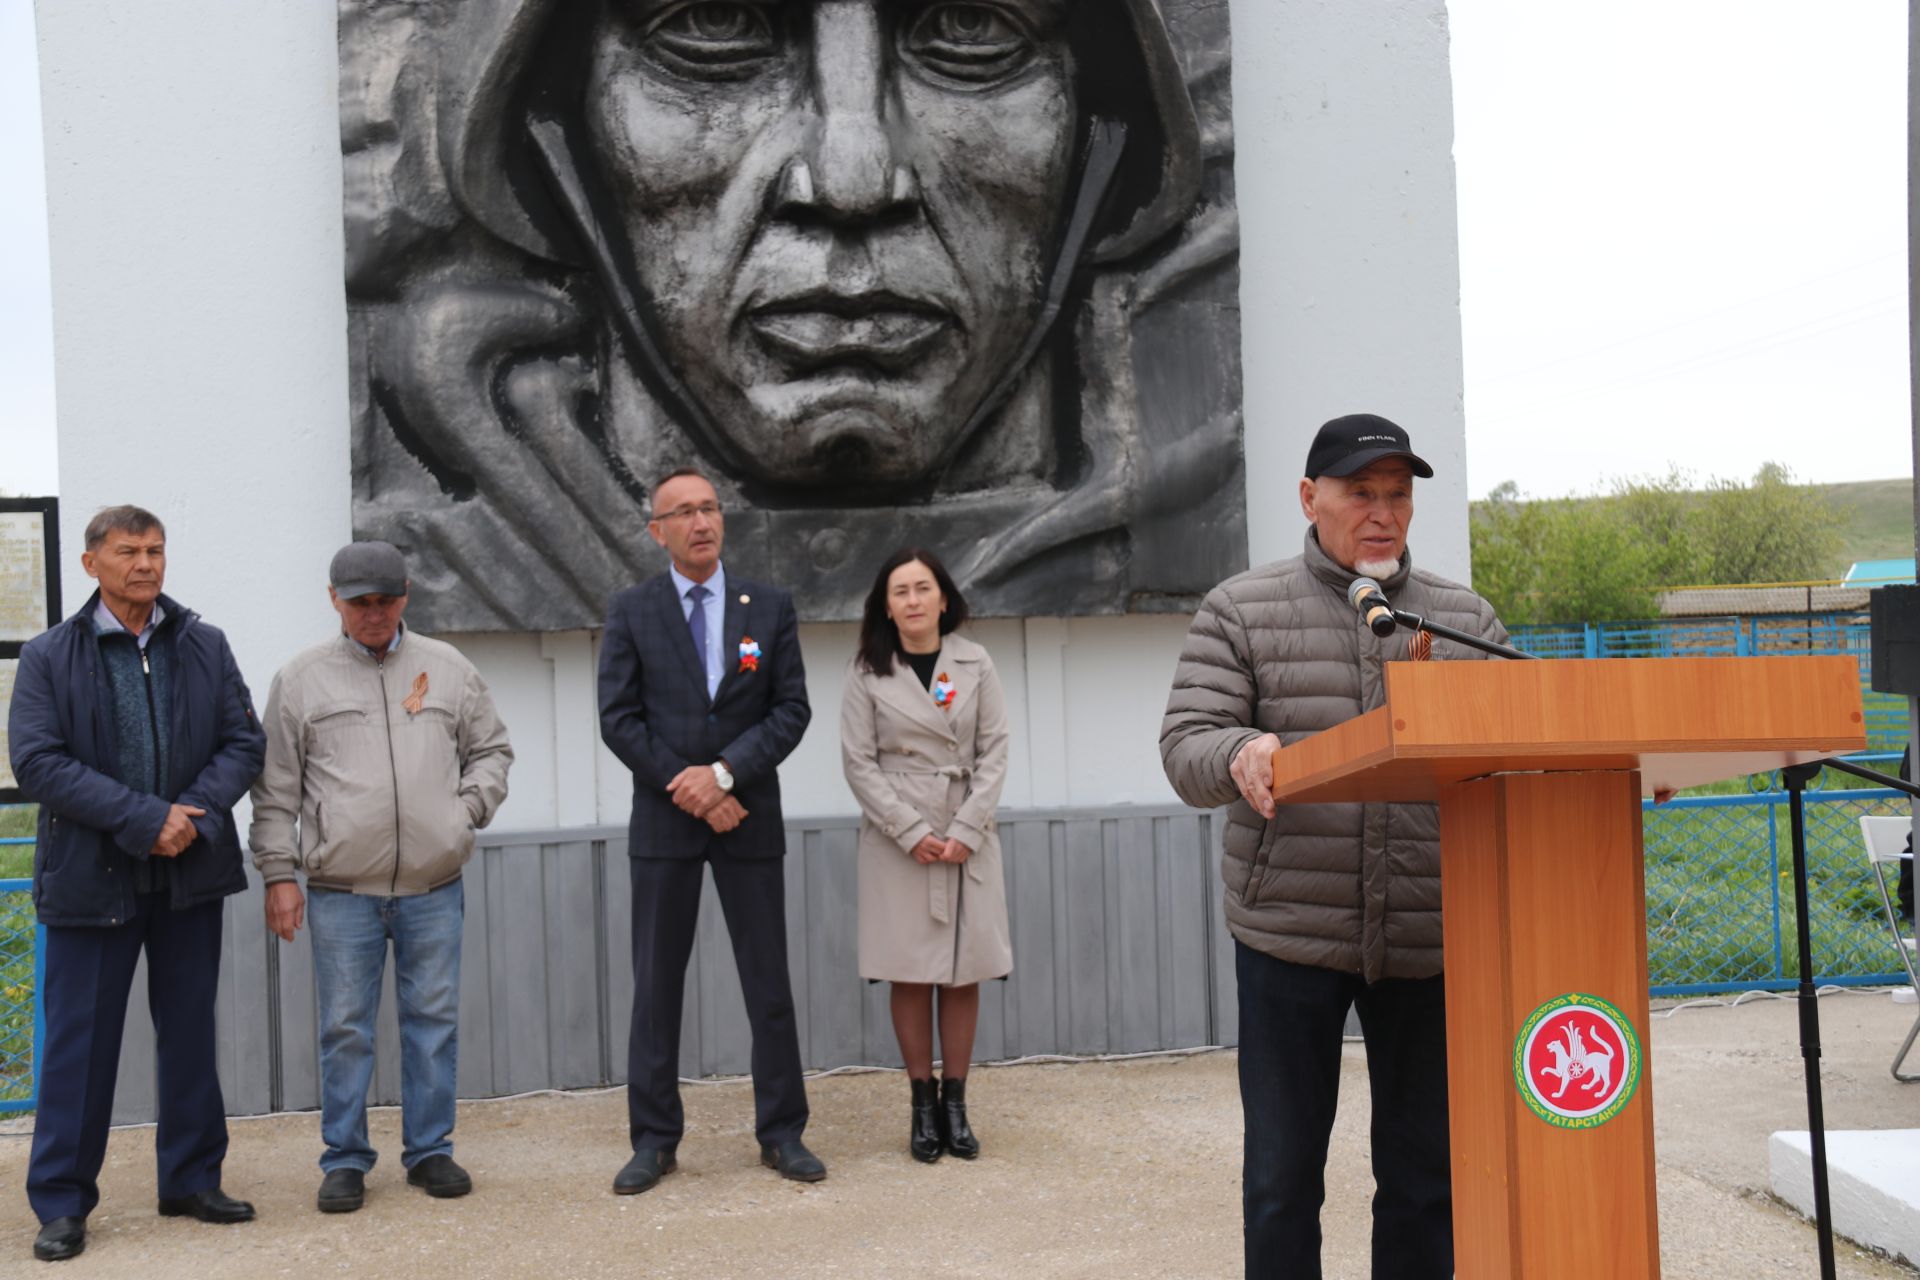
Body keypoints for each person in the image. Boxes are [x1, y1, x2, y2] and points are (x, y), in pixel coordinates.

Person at [347, 0, 1239, 631]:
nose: (852, 180)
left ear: (1106, 136)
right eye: (714, 25)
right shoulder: (455, 572)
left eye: (971, 29)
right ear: (556, 131)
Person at [1159, 415, 1510, 1278]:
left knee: (1427, 1180)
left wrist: (1612, 763)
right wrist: (1238, 752)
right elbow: (1186, 744)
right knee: (1283, 1179)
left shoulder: (1461, 619)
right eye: (1362, 493)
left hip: (1430, 939)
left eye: (1398, 495)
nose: (1382, 512)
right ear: (1311, 498)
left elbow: (1524, 739)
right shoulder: (1241, 609)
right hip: (1290, 935)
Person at [6, 505, 266, 1262]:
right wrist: (144, 818)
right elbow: (41, 763)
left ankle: (190, 1179)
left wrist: (192, 813)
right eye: (128, 552)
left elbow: (242, 742)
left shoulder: (204, 645)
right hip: (92, 880)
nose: (146, 565)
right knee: (78, 1053)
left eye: (155, 551)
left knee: (189, 1036)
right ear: (92, 564)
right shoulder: (50, 655)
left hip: (189, 874)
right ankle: (60, 1202)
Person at [247, 541, 513, 1213]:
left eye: (385, 600)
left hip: (433, 886)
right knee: (345, 1028)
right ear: (332, 598)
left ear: (407, 595)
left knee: (434, 1021)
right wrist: (279, 873)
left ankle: (429, 1150)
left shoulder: (447, 669)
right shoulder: (301, 679)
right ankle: (344, 1158)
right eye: (360, 601)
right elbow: (274, 789)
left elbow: (492, 749)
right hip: (342, 892)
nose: (374, 613)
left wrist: (465, 813)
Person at [597, 468, 819, 1193]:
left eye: (709, 508)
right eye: (682, 512)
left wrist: (722, 775)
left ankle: (782, 1133)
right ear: (655, 530)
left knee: (769, 985)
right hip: (666, 824)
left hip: (747, 816)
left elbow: (790, 710)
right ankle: (654, 1140)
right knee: (656, 986)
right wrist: (687, 786)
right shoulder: (632, 610)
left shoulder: (769, 605)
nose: (701, 522)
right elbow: (619, 719)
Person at [839, 549, 1011, 1162]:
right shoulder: (868, 670)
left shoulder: (975, 661)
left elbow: (995, 749)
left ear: (944, 598)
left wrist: (967, 825)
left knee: (964, 971)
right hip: (898, 842)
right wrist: (909, 830)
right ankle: (920, 1102)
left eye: (923, 588)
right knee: (910, 970)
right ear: (885, 605)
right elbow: (857, 762)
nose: (912, 601)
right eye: (900, 591)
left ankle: (956, 1103)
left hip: (967, 832)